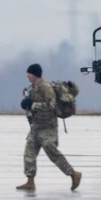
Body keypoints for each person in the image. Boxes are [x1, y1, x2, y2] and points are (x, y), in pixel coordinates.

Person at [16, 64, 81, 192]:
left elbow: (50, 106)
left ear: (34, 75)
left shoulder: (46, 88)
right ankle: (30, 181)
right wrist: (27, 105)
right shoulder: (32, 88)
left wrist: (33, 105)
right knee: (29, 154)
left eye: (29, 74)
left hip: (48, 128)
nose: (27, 76)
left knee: (53, 154)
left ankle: (73, 174)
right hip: (36, 126)